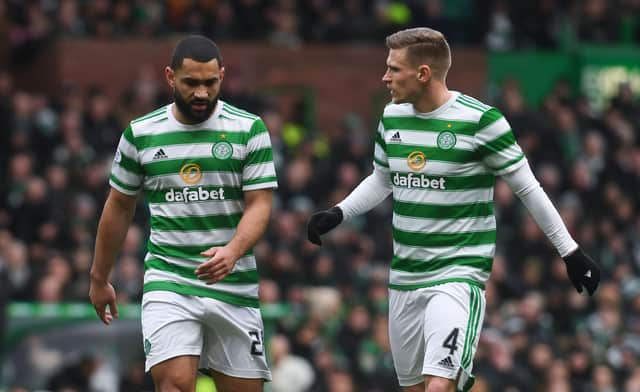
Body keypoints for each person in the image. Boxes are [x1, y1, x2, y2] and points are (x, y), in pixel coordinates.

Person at [307, 27, 600, 392]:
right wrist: (339, 213)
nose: (385, 77)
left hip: (457, 275)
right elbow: (383, 179)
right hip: (404, 278)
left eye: (394, 69)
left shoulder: (482, 122)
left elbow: (527, 188)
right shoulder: (392, 117)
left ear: (423, 74)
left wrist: (569, 251)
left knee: (438, 385)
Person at [89, 35, 277, 392]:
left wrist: (233, 250)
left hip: (233, 284)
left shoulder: (248, 129)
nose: (202, 93)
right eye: (191, 83)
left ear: (222, 75)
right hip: (169, 279)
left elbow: (260, 204)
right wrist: (99, 278)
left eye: (211, 82)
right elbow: (118, 205)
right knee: (174, 384)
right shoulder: (141, 134)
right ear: (170, 77)